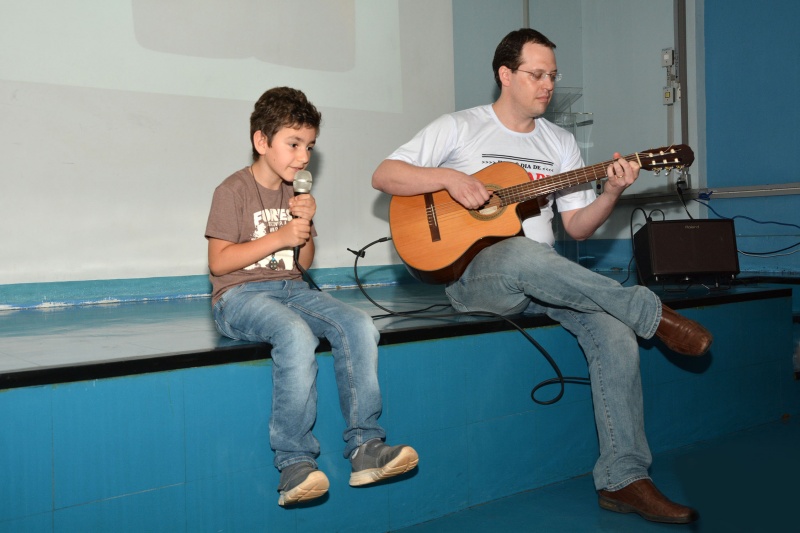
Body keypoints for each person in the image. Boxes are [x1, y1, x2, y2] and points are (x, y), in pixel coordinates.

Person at [372, 29, 711, 524]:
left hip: (550, 281)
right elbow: (385, 174)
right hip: (479, 279)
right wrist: (449, 177)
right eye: (536, 74)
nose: (547, 84)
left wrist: (611, 194)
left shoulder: (561, 143)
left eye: (552, 75)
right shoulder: (461, 128)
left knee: (613, 329)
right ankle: (652, 313)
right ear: (505, 75)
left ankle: (625, 478)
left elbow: (574, 226)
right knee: (518, 252)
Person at [206, 86, 418, 507]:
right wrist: (279, 235)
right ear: (261, 141)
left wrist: (301, 228)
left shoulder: (295, 194)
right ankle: (294, 462)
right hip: (238, 297)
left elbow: (303, 259)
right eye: (294, 144)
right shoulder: (232, 190)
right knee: (295, 334)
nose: (304, 157)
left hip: (290, 287)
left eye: (310, 146)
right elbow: (219, 263)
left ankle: (365, 447)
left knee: (358, 324)